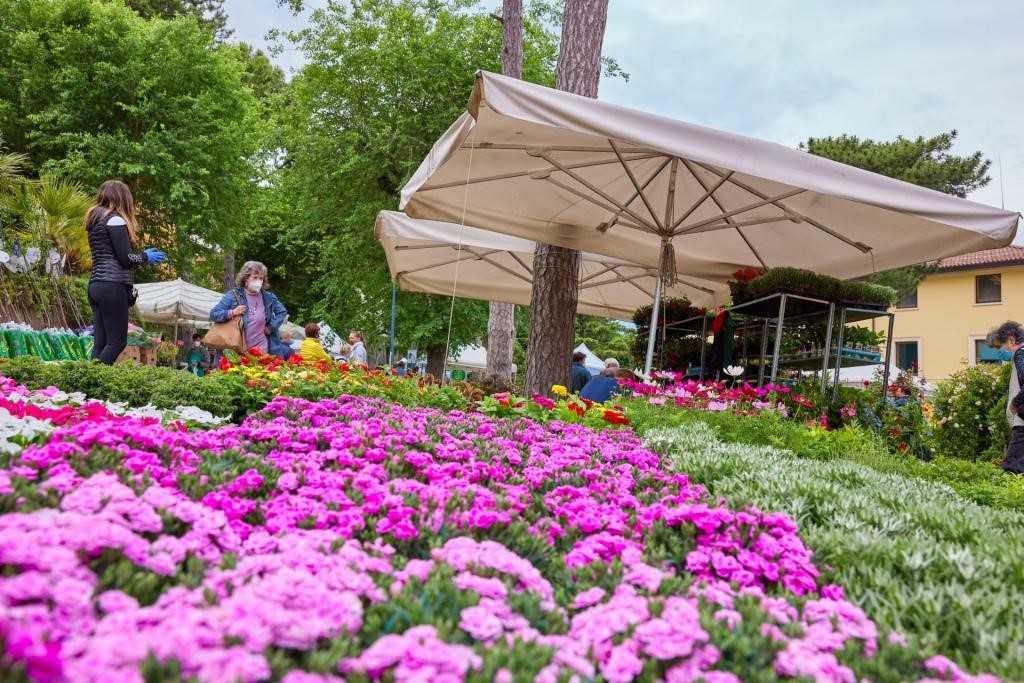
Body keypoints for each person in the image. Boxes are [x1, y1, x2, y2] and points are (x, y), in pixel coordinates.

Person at [85, 180, 167, 364]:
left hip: (95, 285)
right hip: (112, 285)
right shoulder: (115, 219)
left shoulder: (94, 219)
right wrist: (145, 257)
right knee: (117, 342)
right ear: (123, 198)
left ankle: (87, 378)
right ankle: (92, 381)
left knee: (100, 343)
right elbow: (125, 258)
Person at [209, 261, 292, 359]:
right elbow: (213, 314)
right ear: (246, 279)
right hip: (238, 350)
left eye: (261, 278)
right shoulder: (233, 296)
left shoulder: (268, 297)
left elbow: (282, 311)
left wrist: (271, 327)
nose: (259, 281)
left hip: (262, 350)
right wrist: (232, 312)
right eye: (255, 277)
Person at [987, 321, 1024, 473]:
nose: (1000, 351)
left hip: (1022, 421)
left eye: (999, 346)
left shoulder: (1021, 354)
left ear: (1010, 340)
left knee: (1012, 467)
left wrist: (1015, 404)